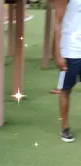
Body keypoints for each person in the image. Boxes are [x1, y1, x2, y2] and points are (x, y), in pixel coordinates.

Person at [54, 0, 81, 142]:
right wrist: (58, 53)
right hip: (71, 51)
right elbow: (57, 21)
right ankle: (65, 128)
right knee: (65, 90)